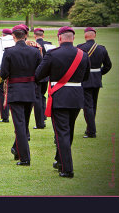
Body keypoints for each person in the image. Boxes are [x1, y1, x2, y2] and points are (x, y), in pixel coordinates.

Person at [35, 26, 90, 178]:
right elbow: (85, 77)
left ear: (60, 38)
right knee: (68, 131)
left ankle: (67, 168)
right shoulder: (83, 55)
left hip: (59, 97)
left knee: (62, 133)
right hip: (76, 97)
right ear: (73, 38)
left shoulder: (53, 54)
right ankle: (60, 160)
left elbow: (39, 74)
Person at [0, 24, 42, 166]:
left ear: (13, 36)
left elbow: (4, 73)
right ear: (25, 36)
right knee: (24, 123)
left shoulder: (9, 52)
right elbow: (40, 73)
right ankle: (17, 151)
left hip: (16, 91)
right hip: (30, 90)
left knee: (19, 125)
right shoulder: (35, 52)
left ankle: (25, 158)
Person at [77, 27, 112, 138]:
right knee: (93, 105)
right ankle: (89, 128)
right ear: (94, 35)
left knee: (87, 106)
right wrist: (99, 73)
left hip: (85, 79)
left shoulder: (80, 48)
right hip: (96, 79)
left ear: (85, 36)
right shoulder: (102, 49)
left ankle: (91, 131)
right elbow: (108, 65)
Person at [33, 28, 52, 129]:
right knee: (43, 96)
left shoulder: (33, 45)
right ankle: (43, 115)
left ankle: (40, 122)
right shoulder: (49, 45)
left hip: (37, 75)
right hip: (46, 76)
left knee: (37, 98)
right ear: (43, 35)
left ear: (35, 36)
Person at [0, 28, 12, 123]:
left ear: (3, 35)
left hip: (3, 71)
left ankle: (5, 116)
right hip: (15, 73)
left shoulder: (0, 43)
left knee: (2, 94)